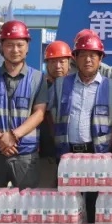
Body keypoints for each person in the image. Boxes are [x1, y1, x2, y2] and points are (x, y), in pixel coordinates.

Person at [47, 33, 112, 223]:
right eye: (83, 55)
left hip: (97, 152)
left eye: (93, 55)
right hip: (68, 153)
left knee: (95, 203)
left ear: (100, 58)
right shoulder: (61, 85)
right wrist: (55, 132)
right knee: (69, 205)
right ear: (75, 58)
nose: (88, 60)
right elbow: (44, 109)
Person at [0, 20, 47, 189]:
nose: (15, 50)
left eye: (20, 45)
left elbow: (39, 113)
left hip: (25, 154)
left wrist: (13, 136)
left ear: (27, 47)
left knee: (27, 203)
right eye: (9, 45)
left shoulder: (38, 78)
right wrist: (0, 139)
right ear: (1, 47)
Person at [37, 40, 73, 189]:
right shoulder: (38, 86)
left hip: (69, 153)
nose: (58, 66)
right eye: (53, 62)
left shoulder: (75, 86)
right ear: (46, 64)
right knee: (45, 195)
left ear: (69, 63)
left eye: (62, 61)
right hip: (45, 153)